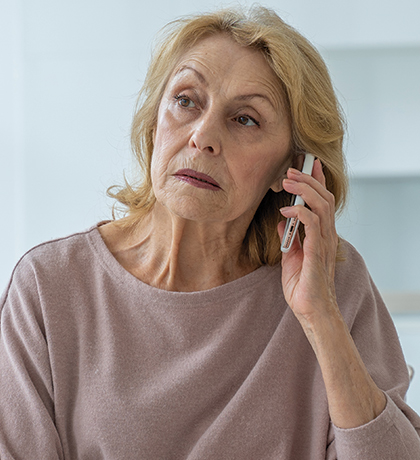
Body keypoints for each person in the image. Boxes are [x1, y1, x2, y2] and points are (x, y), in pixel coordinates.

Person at [1, 5, 419, 459]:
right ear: (154, 117)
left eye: (245, 119)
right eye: (186, 100)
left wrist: (322, 322)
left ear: (292, 168)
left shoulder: (333, 283)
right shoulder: (49, 286)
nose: (203, 136)